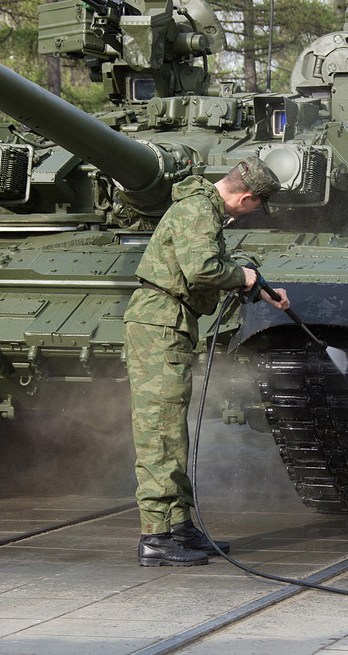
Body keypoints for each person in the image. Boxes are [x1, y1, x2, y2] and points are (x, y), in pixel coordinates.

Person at [124, 157, 289, 566]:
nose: (252, 214)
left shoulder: (203, 209)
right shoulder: (198, 210)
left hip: (170, 322)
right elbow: (201, 269)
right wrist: (244, 277)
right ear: (247, 197)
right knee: (159, 432)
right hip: (159, 323)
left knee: (172, 430)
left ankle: (178, 526)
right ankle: (156, 538)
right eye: (256, 207)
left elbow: (209, 269)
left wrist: (258, 287)